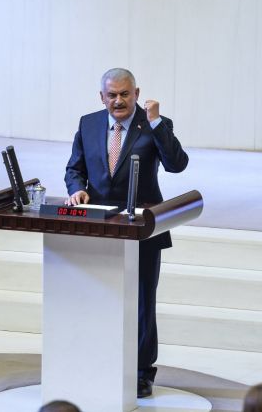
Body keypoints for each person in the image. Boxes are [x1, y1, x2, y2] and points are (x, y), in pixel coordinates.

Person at [64, 68, 189, 398]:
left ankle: (141, 373)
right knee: (99, 295)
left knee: (142, 302)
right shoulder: (88, 123)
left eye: (125, 94)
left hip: (143, 228)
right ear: (101, 97)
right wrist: (77, 190)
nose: (118, 101)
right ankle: (99, 360)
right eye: (112, 95)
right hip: (99, 225)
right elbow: (74, 168)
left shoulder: (153, 124)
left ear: (136, 93)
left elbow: (177, 164)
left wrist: (157, 123)